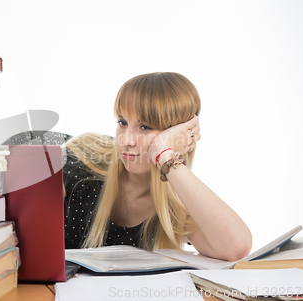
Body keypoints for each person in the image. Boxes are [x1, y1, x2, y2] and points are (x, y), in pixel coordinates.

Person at [63, 72, 252, 261]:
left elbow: (236, 247)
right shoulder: (82, 160)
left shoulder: (176, 205)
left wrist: (165, 155)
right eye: (122, 122)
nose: (126, 140)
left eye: (145, 127)